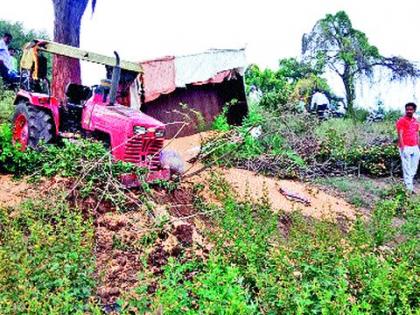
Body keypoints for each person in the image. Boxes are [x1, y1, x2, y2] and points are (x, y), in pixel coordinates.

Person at [396, 102, 420, 192]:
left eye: (411, 109)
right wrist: (403, 147)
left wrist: (418, 147)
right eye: (407, 109)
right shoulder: (401, 121)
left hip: (415, 147)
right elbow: (400, 134)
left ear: (414, 110)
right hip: (405, 147)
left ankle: (407, 184)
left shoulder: (416, 122)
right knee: (407, 168)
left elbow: (417, 134)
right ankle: (409, 189)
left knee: (413, 169)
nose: (409, 111)